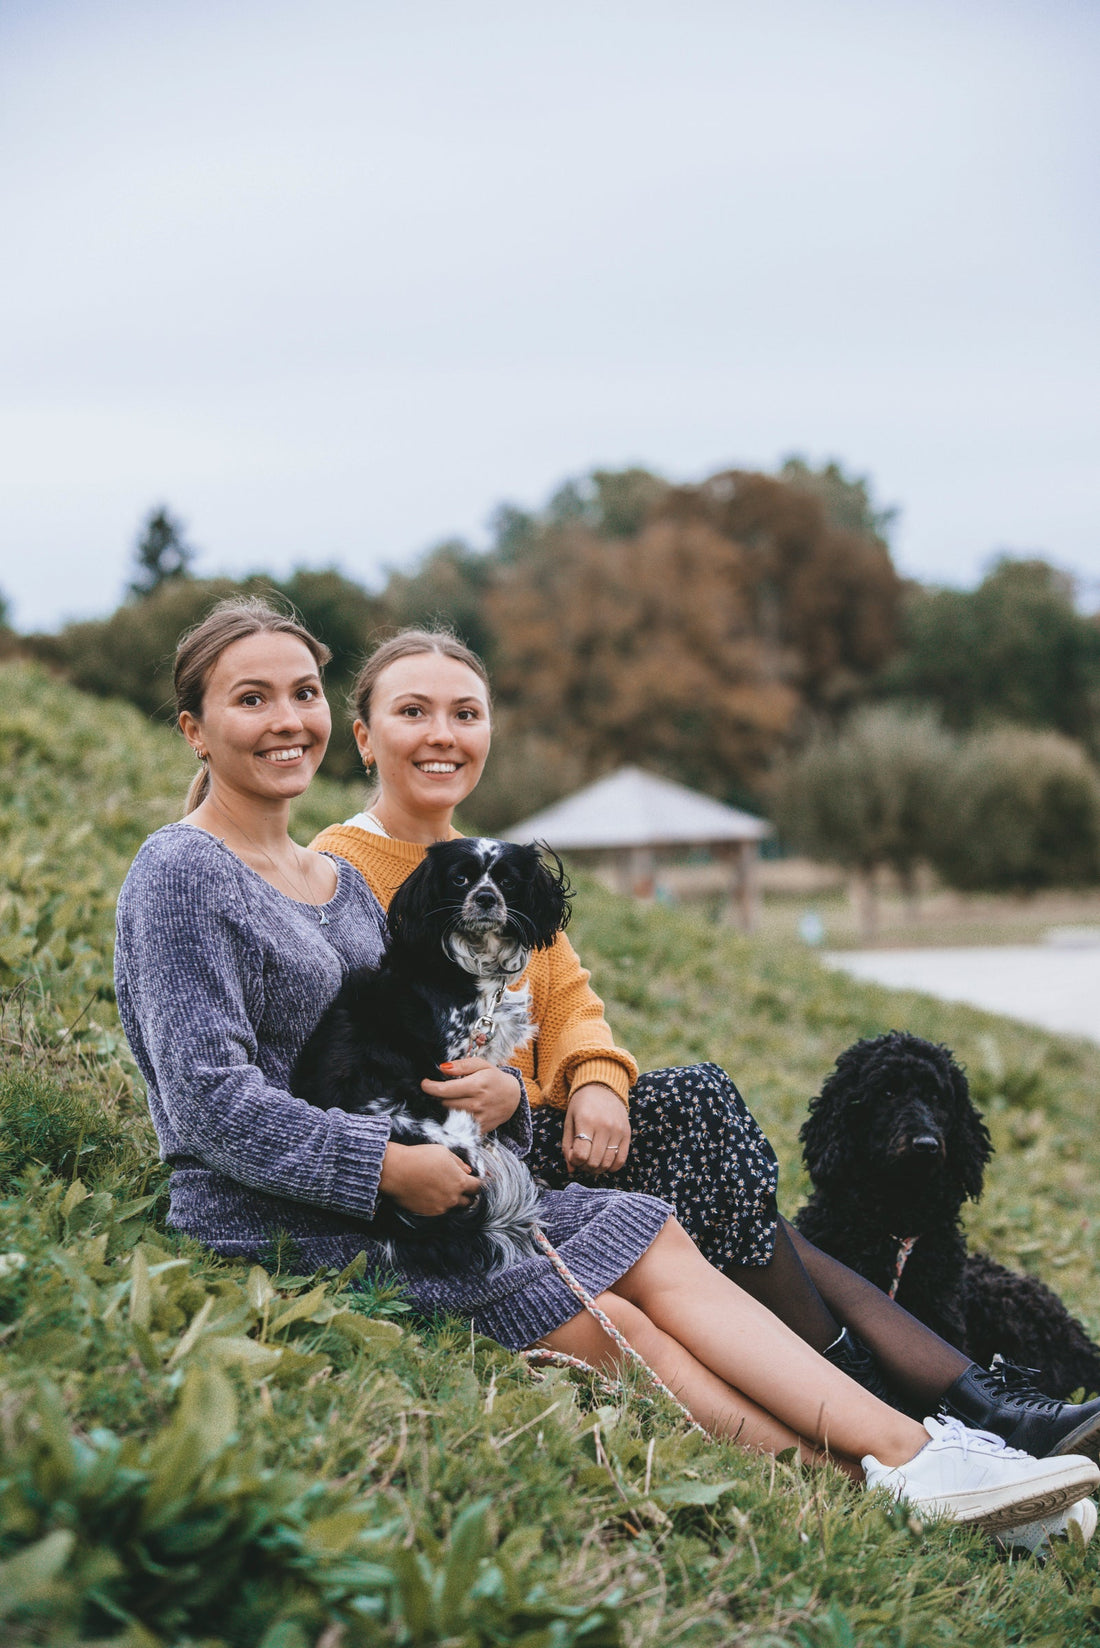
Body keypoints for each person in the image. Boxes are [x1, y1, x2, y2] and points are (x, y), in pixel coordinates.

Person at [112, 598, 1098, 1537]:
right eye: (252, 698)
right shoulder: (184, 870)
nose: (287, 718)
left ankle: (921, 1450)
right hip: (292, 1214)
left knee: (649, 1228)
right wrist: (382, 1164)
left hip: (424, 1184)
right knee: (607, 1311)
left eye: (300, 692)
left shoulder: (334, 887)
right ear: (196, 728)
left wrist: (501, 1108)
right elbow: (206, 1100)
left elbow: (442, 1045)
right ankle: (884, 1483)